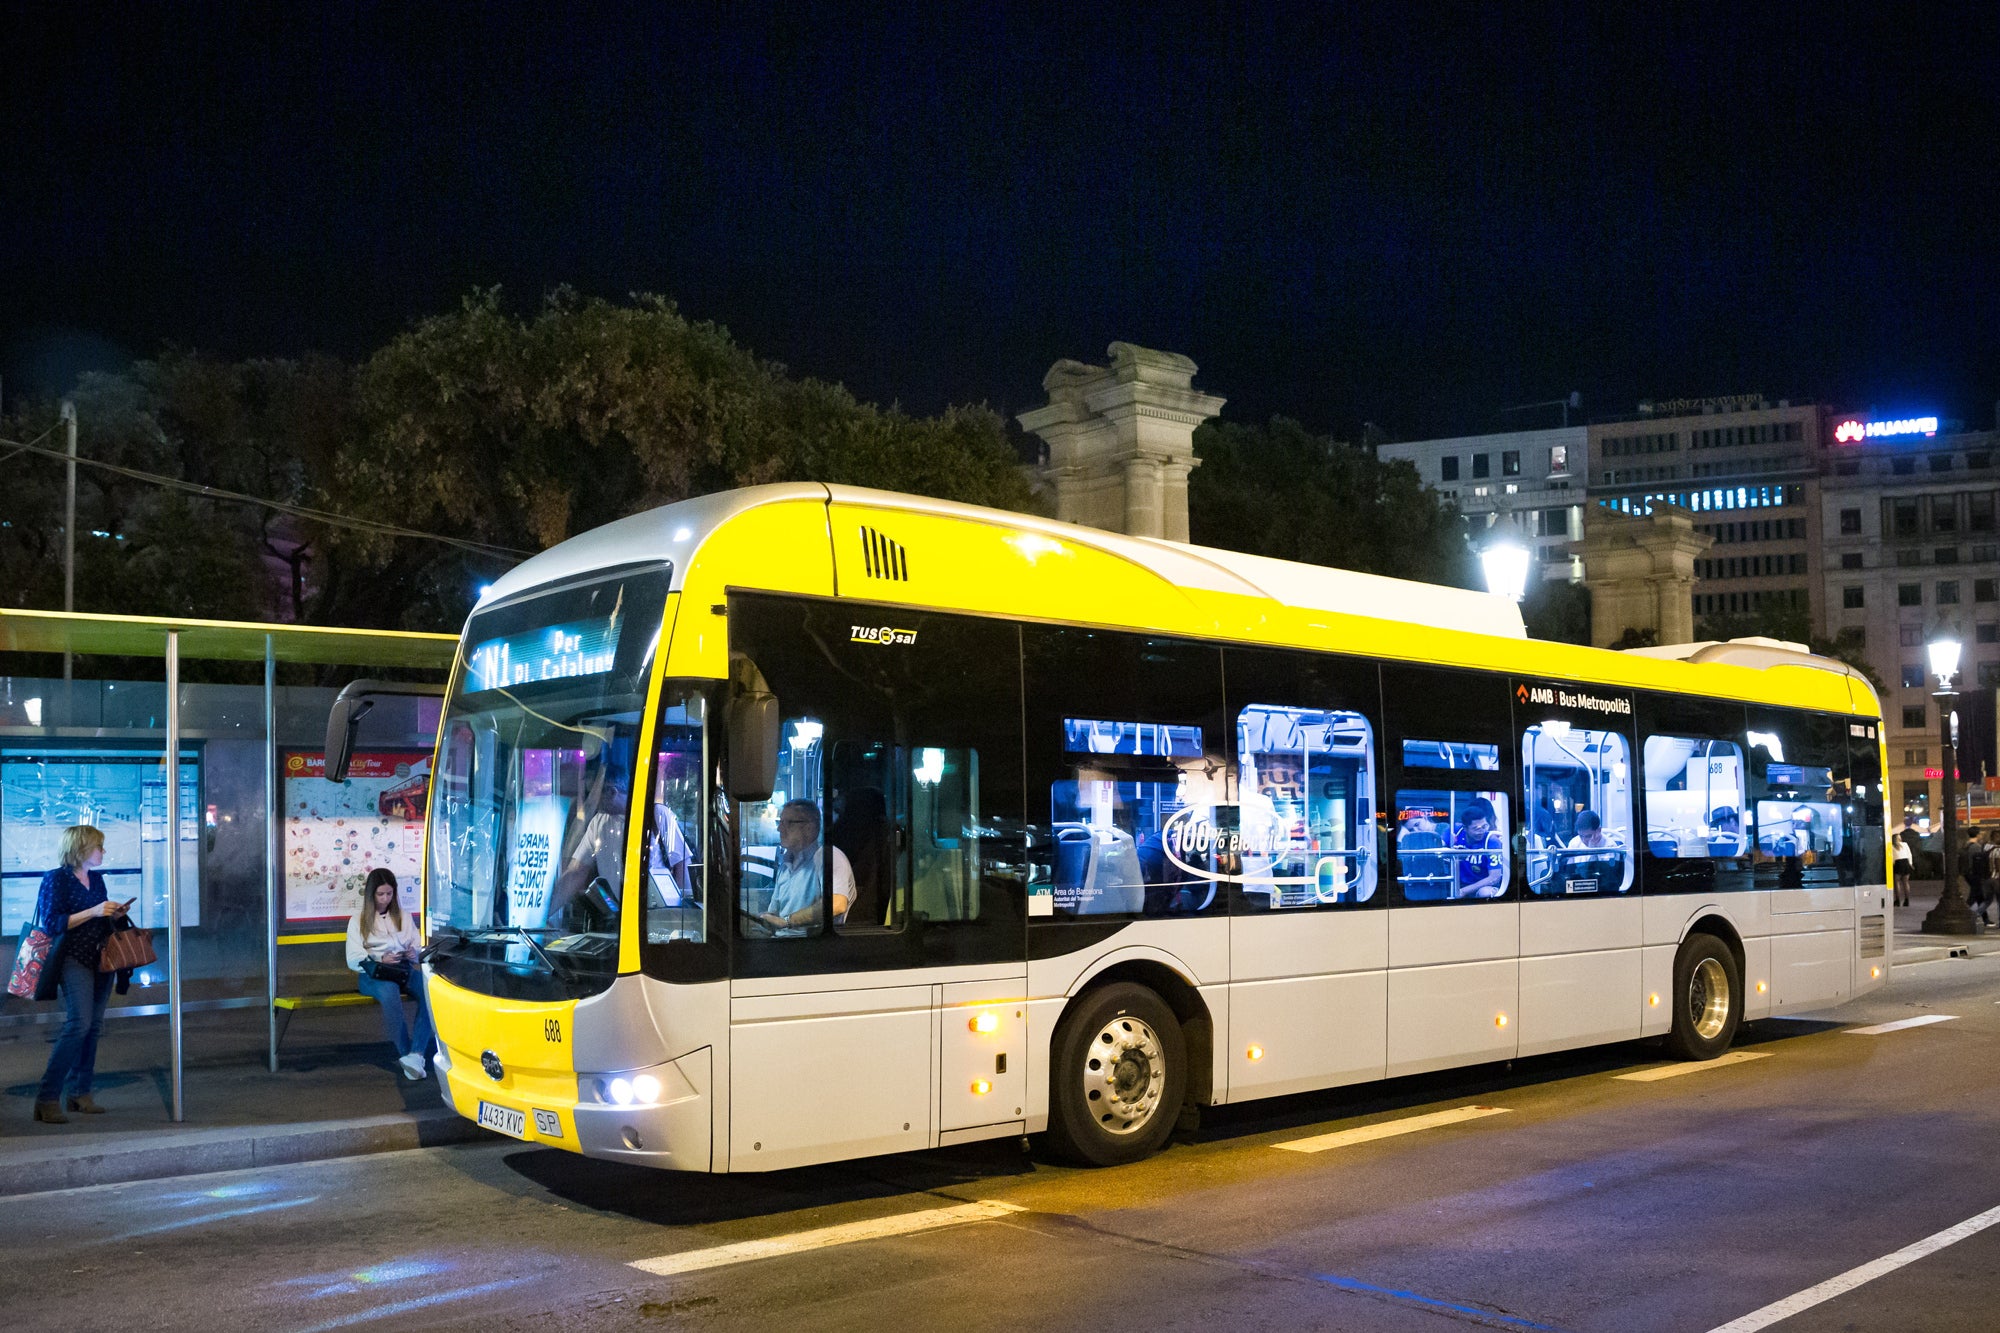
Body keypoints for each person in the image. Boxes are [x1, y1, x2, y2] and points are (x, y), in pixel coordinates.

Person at [32, 825, 132, 1124]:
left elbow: (99, 915)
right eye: (98, 847)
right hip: (71, 957)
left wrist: (113, 914)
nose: (103, 852)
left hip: (101, 957)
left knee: (94, 1026)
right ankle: (47, 1097)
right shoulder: (56, 879)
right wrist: (94, 911)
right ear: (80, 849)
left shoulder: (97, 879)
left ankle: (80, 1092)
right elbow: (52, 923)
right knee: (79, 1023)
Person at [347, 868, 434, 1080]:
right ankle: (406, 1054)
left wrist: (412, 952)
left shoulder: (403, 916)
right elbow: (353, 958)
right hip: (374, 974)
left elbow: (417, 947)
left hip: (402, 968)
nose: (385, 899)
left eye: (389, 893)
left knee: (429, 991)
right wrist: (379, 959)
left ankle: (416, 1054)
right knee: (390, 993)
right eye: (380, 894)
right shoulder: (358, 920)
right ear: (371, 895)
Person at [758, 800, 854, 935]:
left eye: (788, 823)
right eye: (780, 822)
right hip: (783, 944)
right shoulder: (785, 864)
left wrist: (787, 922)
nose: (780, 829)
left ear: (810, 827)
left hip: (813, 947)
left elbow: (837, 904)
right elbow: (775, 913)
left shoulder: (829, 857)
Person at [1452, 798, 1506, 899]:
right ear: (1465, 828)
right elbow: (1438, 845)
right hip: (1461, 883)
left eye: (1484, 826)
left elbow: (1495, 877)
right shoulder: (1455, 831)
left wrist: (1463, 891)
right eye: (1475, 829)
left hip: (1484, 886)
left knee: (1484, 893)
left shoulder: (1492, 842)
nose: (1480, 831)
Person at [1891, 830, 1913, 907]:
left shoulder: (1891, 846)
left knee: (1897, 882)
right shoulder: (1905, 844)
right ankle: (1907, 900)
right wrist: (1910, 864)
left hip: (1898, 863)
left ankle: (1897, 900)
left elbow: (1892, 858)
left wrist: (1893, 864)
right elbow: (1909, 854)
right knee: (1906, 882)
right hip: (1906, 862)